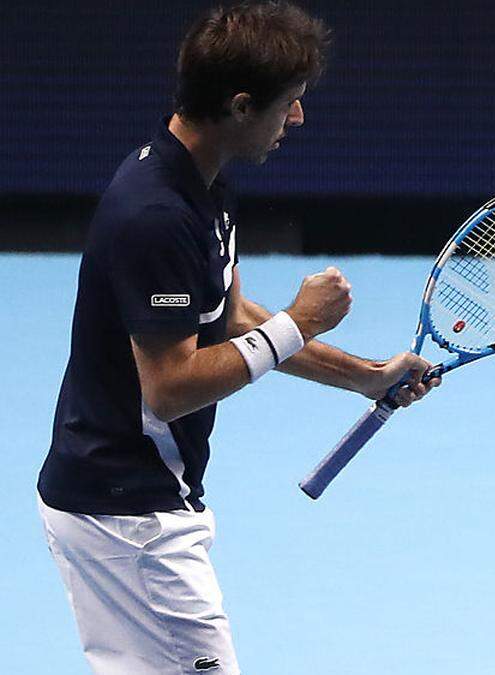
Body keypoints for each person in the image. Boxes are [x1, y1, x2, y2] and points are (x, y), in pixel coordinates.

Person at [36, 3, 439, 673]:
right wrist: (300, 320)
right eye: (291, 104)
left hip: (130, 503)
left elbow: (230, 322)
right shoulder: (155, 215)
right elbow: (169, 389)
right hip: (127, 517)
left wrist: (366, 375)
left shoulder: (204, 190)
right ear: (243, 106)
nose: (299, 119)